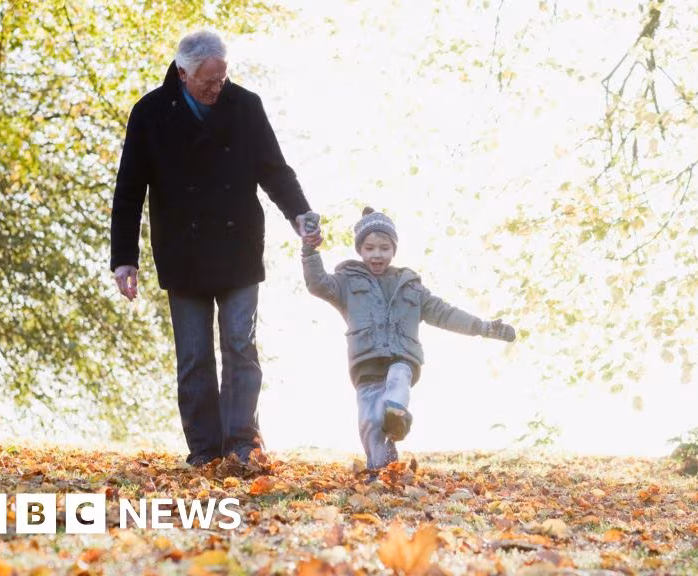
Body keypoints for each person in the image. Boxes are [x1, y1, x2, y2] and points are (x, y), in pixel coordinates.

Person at [109, 30, 321, 467]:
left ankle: (242, 444)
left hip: (238, 245)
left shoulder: (245, 106)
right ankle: (205, 451)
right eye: (208, 80)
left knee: (241, 346)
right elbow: (129, 190)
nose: (216, 88)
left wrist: (299, 214)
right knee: (194, 357)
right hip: (181, 251)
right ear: (182, 72)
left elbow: (274, 170)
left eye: (222, 78)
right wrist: (124, 259)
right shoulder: (149, 113)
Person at [300, 207, 516, 481]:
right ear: (360, 250)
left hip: (401, 358)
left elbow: (445, 313)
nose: (377, 254)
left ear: (394, 249)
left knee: (398, 379)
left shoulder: (409, 285)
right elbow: (317, 284)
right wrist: (309, 249)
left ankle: (396, 412)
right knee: (370, 422)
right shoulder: (347, 281)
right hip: (366, 363)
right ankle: (381, 469)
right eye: (369, 248)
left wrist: (485, 328)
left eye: (384, 248)